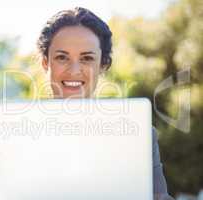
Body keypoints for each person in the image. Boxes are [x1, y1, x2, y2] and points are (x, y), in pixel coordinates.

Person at [36, 7, 175, 200]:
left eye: (86, 58)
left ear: (102, 65)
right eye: (62, 57)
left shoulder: (137, 134)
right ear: (45, 62)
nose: (74, 70)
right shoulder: (13, 131)